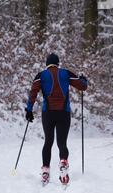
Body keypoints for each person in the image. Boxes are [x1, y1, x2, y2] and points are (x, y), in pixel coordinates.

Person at [25, 53, 88, 185]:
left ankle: (45, 171)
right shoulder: (66, 73)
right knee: (62, 143)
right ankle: (63, 163)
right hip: (63, 113)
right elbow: (82, 86)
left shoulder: (41, 75)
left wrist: (29, 110)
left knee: (48, 142)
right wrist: (83, 80)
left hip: (48, 113)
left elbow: (33, 92)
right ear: (58, 63)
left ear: (47, 64)